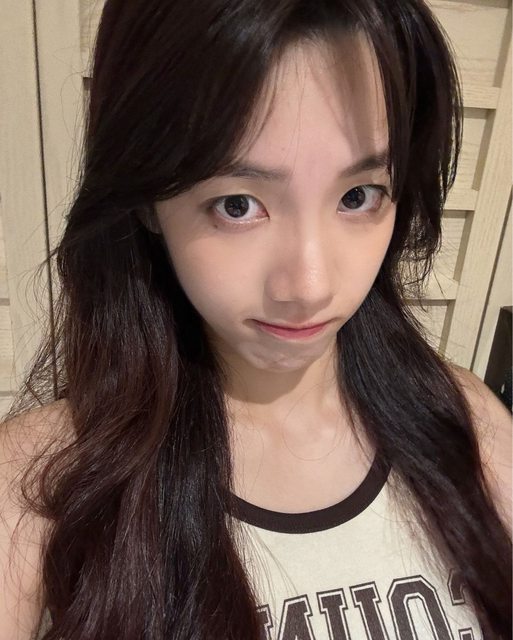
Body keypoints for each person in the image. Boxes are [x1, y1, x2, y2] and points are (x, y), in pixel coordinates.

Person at [0, 0, 511, 638]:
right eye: (237, 205)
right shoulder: (36, 479)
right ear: (147, 200)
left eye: (358, 196)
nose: (311, 286)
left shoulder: (463, 418)